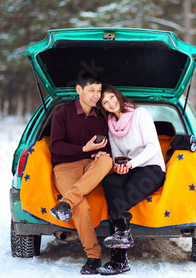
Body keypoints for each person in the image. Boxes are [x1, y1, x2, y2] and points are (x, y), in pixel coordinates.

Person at [93, 84, 166, 275]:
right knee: (109, 183)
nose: (110, 103)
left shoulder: (140, 114)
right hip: (130, 168)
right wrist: (119, 166)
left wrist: (131, 164)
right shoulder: (111, 124)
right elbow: (118, 153)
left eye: (111, 97)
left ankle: (119, 261)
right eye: (104, 102)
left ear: (118, 95)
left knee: (117, 201)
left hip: (151, 168)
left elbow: (153, 147)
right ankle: (123, 233)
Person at [48, 73, 113, 275]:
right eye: (91, 90)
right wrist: (84, 149)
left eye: (99, 91)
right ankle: (93, 256)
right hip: (66, 167)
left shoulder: (102, 115)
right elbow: (56, 146)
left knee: (107, 160)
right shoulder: (62, 112)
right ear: (79, 90)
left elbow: (109, 145)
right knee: (81, 205)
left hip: (92, 166)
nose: (96, 95)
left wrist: (103, 151)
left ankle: (66, 202)